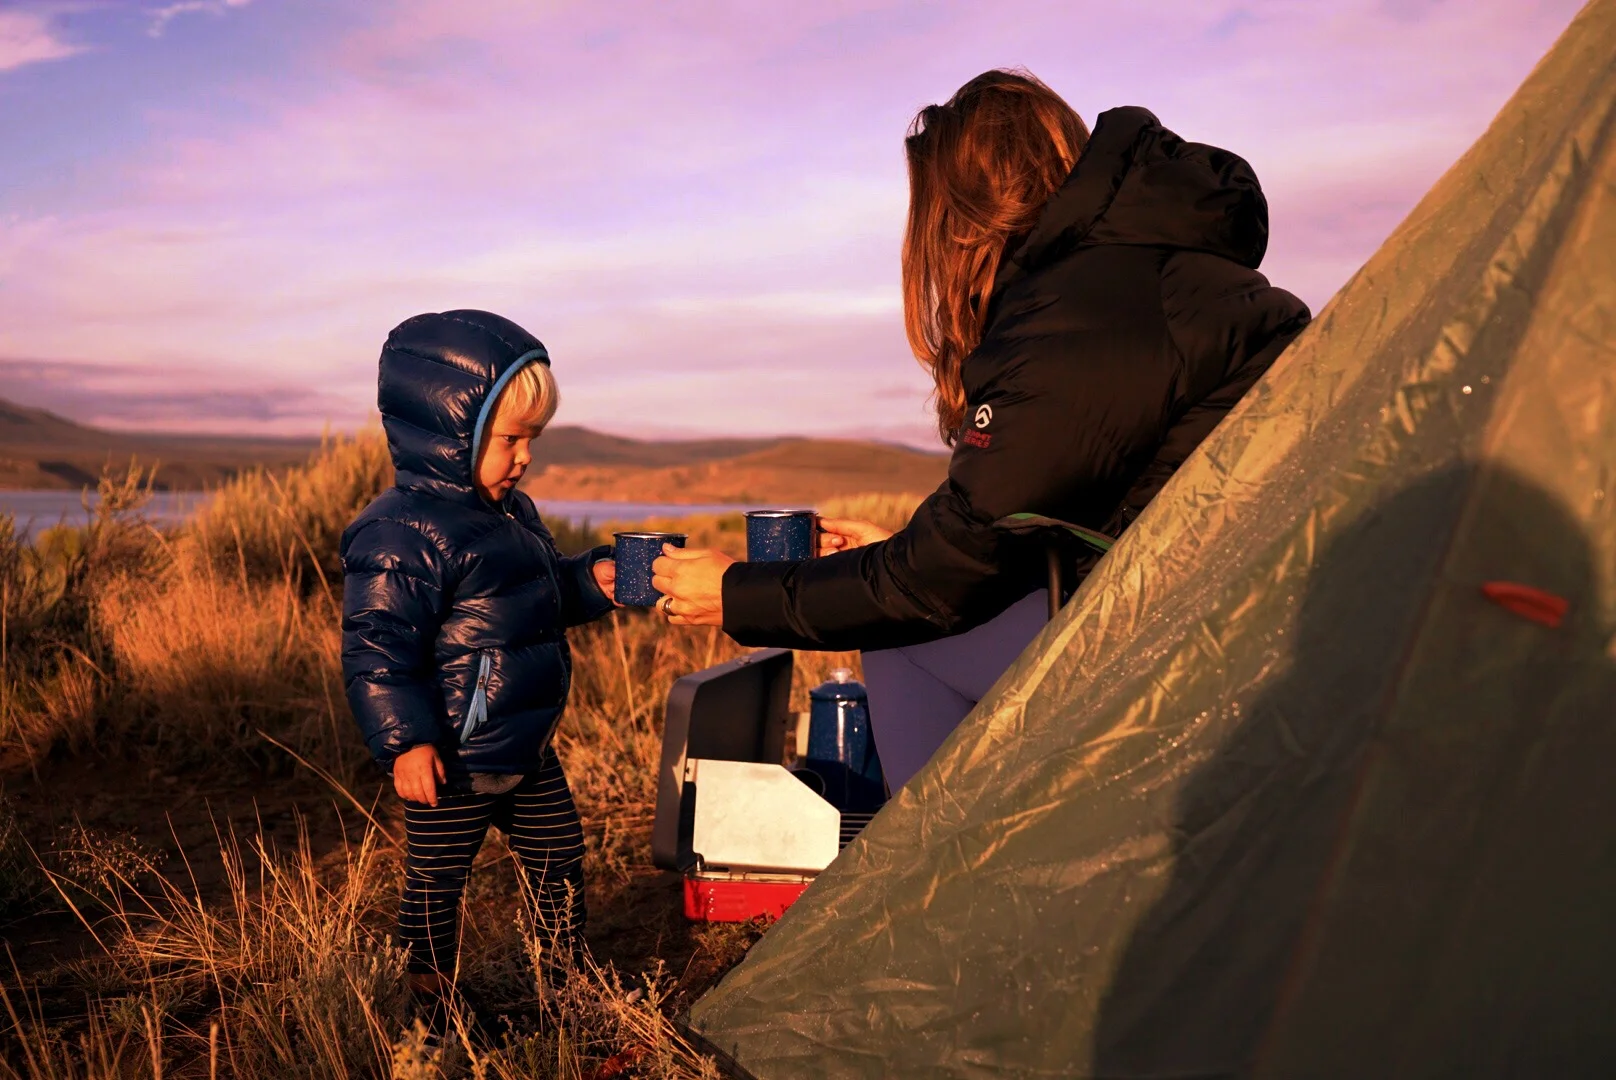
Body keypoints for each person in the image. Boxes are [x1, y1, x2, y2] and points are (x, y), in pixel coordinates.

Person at [652, 70, 1312, 790]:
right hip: (1250, 613)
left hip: (1191, 654)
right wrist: (896, 556)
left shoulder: (1076, 316)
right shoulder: (1149, 270)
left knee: (902, 638)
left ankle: (942, 883)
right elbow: (1053, 522)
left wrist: (740, 594)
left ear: (963, 216)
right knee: (921, 619)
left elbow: (937, 582)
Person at [340, 309, 618, 1029]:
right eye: (511, 439)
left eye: (533, 440)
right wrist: (407, 741)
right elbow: (378, 648)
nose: (525, 456)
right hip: (453, 757)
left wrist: (595, 581)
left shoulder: (512, 512)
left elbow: (541, 601)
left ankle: (564, 982)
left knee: (560, 857)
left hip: (523, 743)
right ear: (447, 429)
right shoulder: (402, 531)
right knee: (437, 883)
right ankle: (428, 1003)